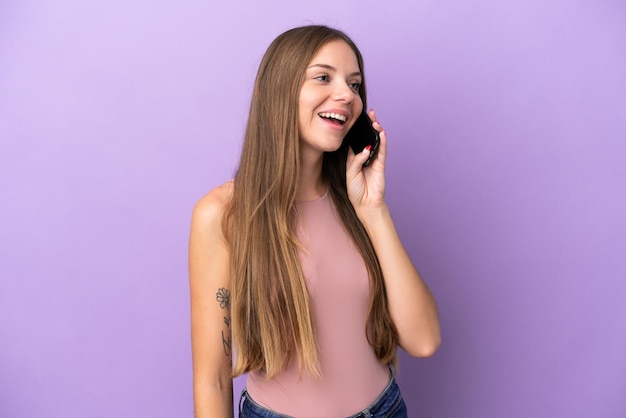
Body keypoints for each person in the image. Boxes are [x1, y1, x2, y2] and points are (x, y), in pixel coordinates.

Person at [188, 25, 441, 418]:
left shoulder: (356, 204)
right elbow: (213, 379)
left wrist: (373, 210)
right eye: (323, 77)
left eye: (355, 84)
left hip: (384, 409)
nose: (346, 95)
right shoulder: (223, 215)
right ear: (280, 90)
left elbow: (424, 340)